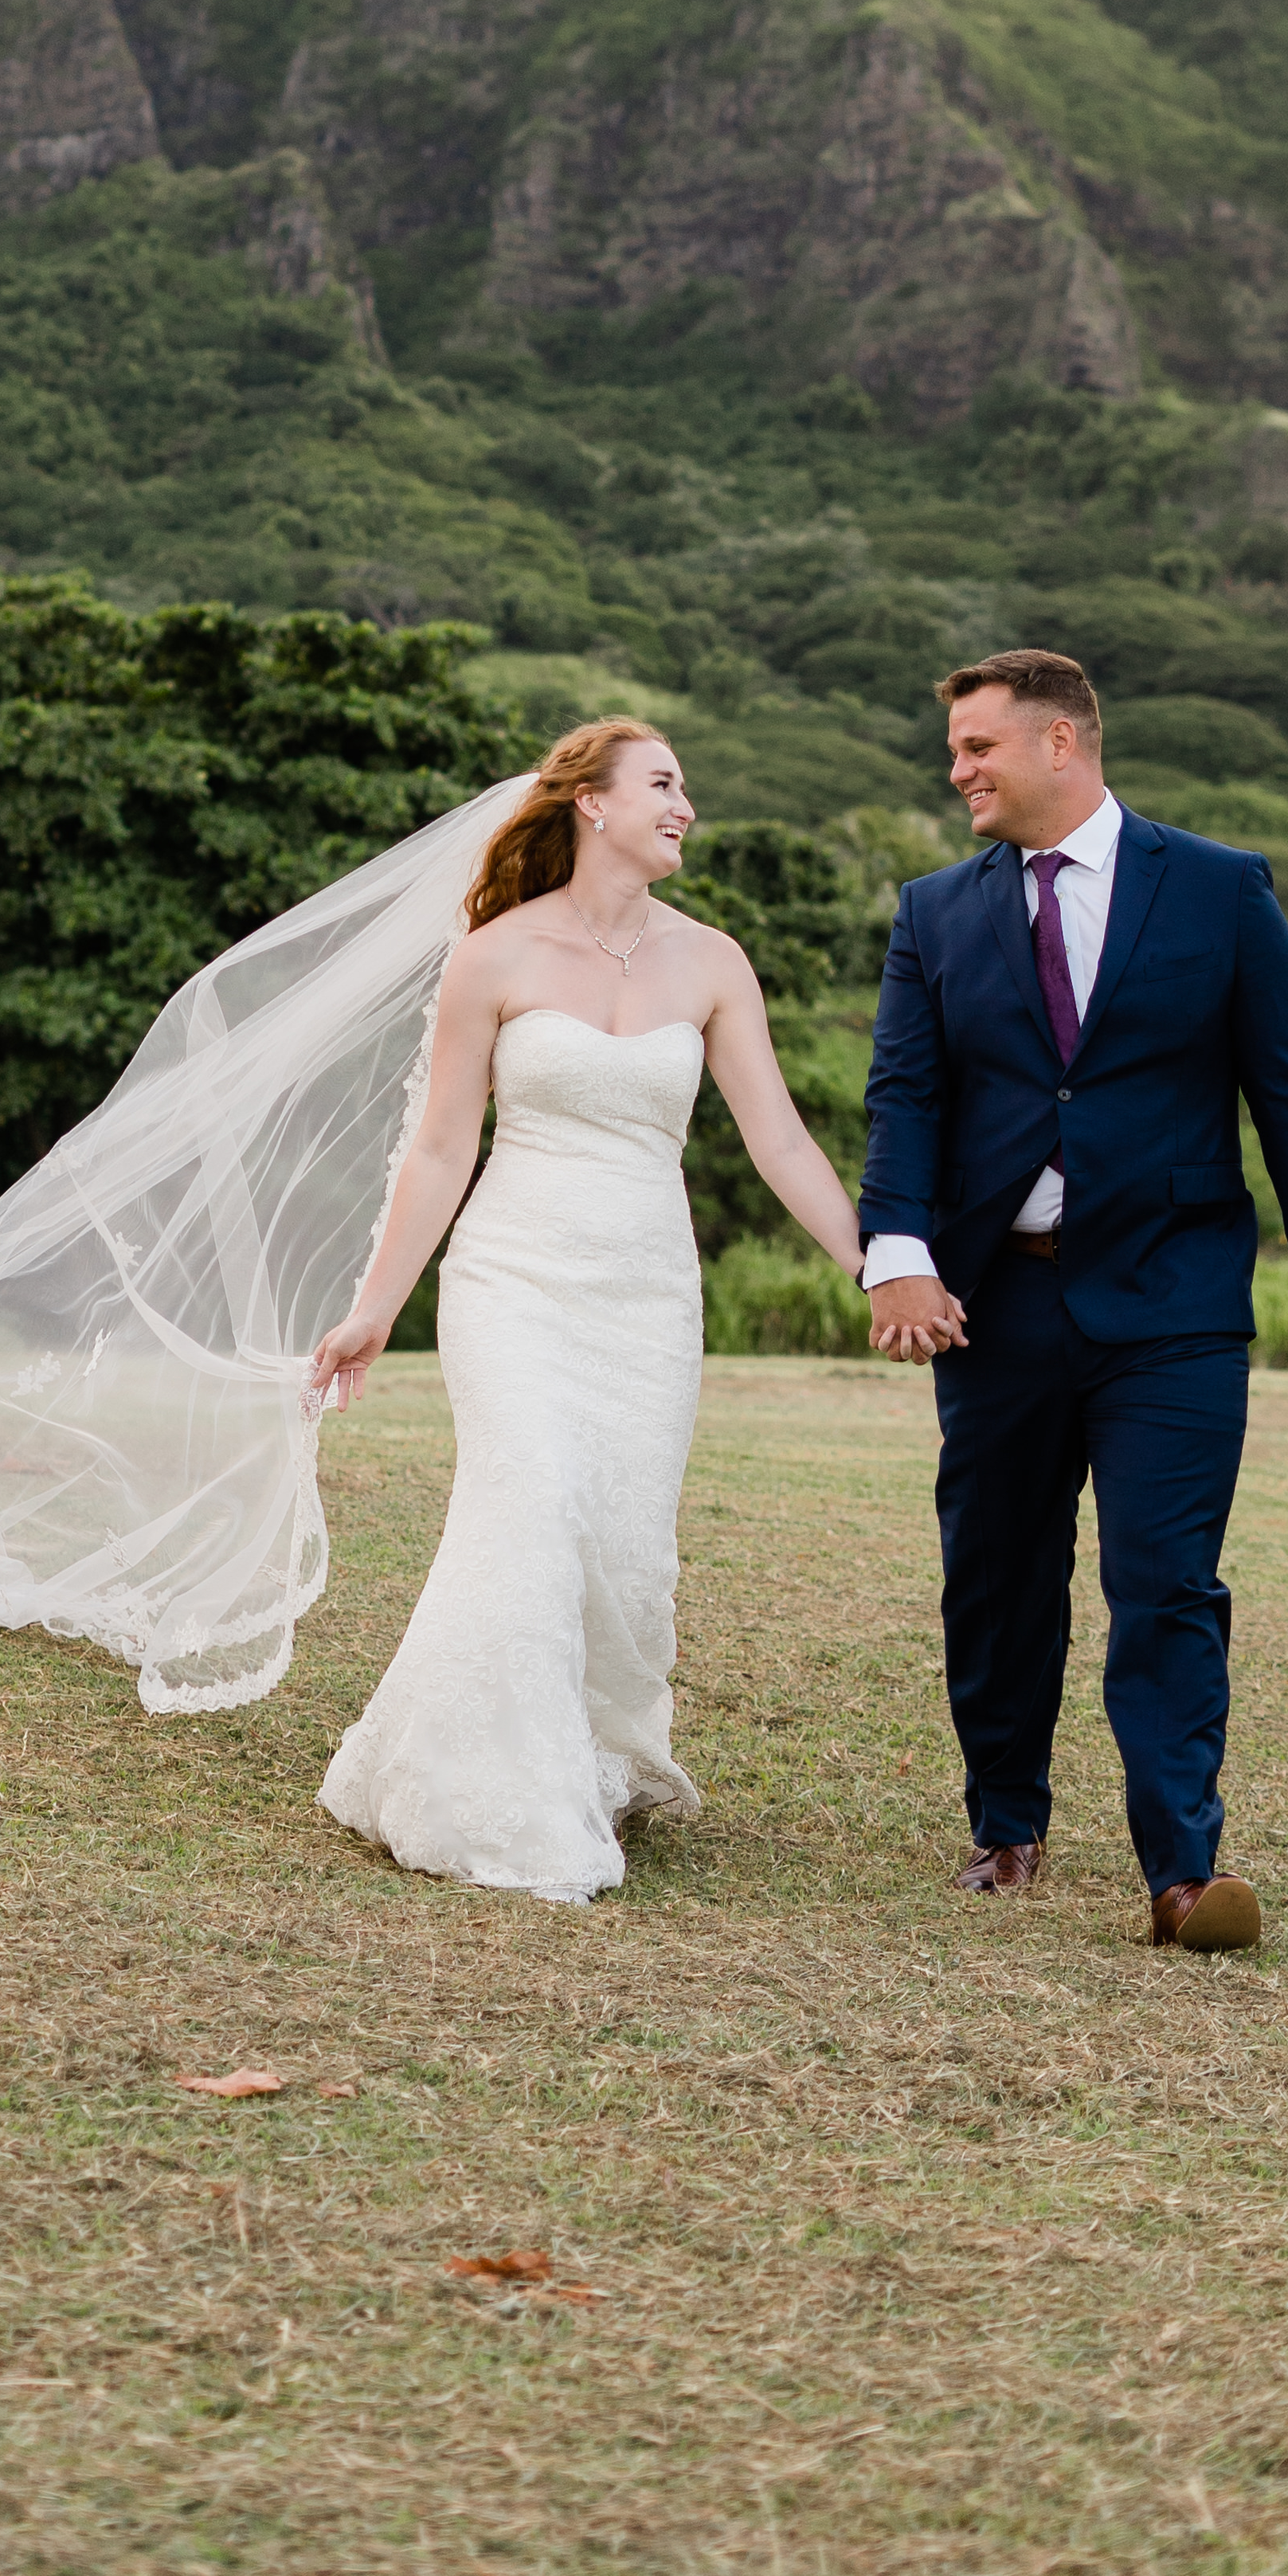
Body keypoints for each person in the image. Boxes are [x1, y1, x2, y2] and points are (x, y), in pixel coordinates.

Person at [858, 649, 1288, 1951]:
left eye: (979, 746)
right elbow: (907, 1101)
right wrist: (896, 1251)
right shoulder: (933, 913)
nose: (959, 768)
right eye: (956, 747)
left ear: (1062, 744)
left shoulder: (1219, 889)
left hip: (1176, 1299)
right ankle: (1007, 1824)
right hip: (997, 1306)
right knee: (997, 1572)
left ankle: (1184, 1873)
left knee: (1166, 1581)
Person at [306, 720, 868, 1904]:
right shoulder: (495, 957)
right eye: (664, 785)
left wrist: (876, 1265)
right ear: (590, 805)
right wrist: (374, 1310)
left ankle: (587, 1751)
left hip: (648, 1294)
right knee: (530, 1500)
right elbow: (442, 1148)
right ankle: (491, 1792)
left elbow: (777, 1139)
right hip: (512, 1277)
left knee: (616, 1535)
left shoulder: (714, 962)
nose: (687, 807)